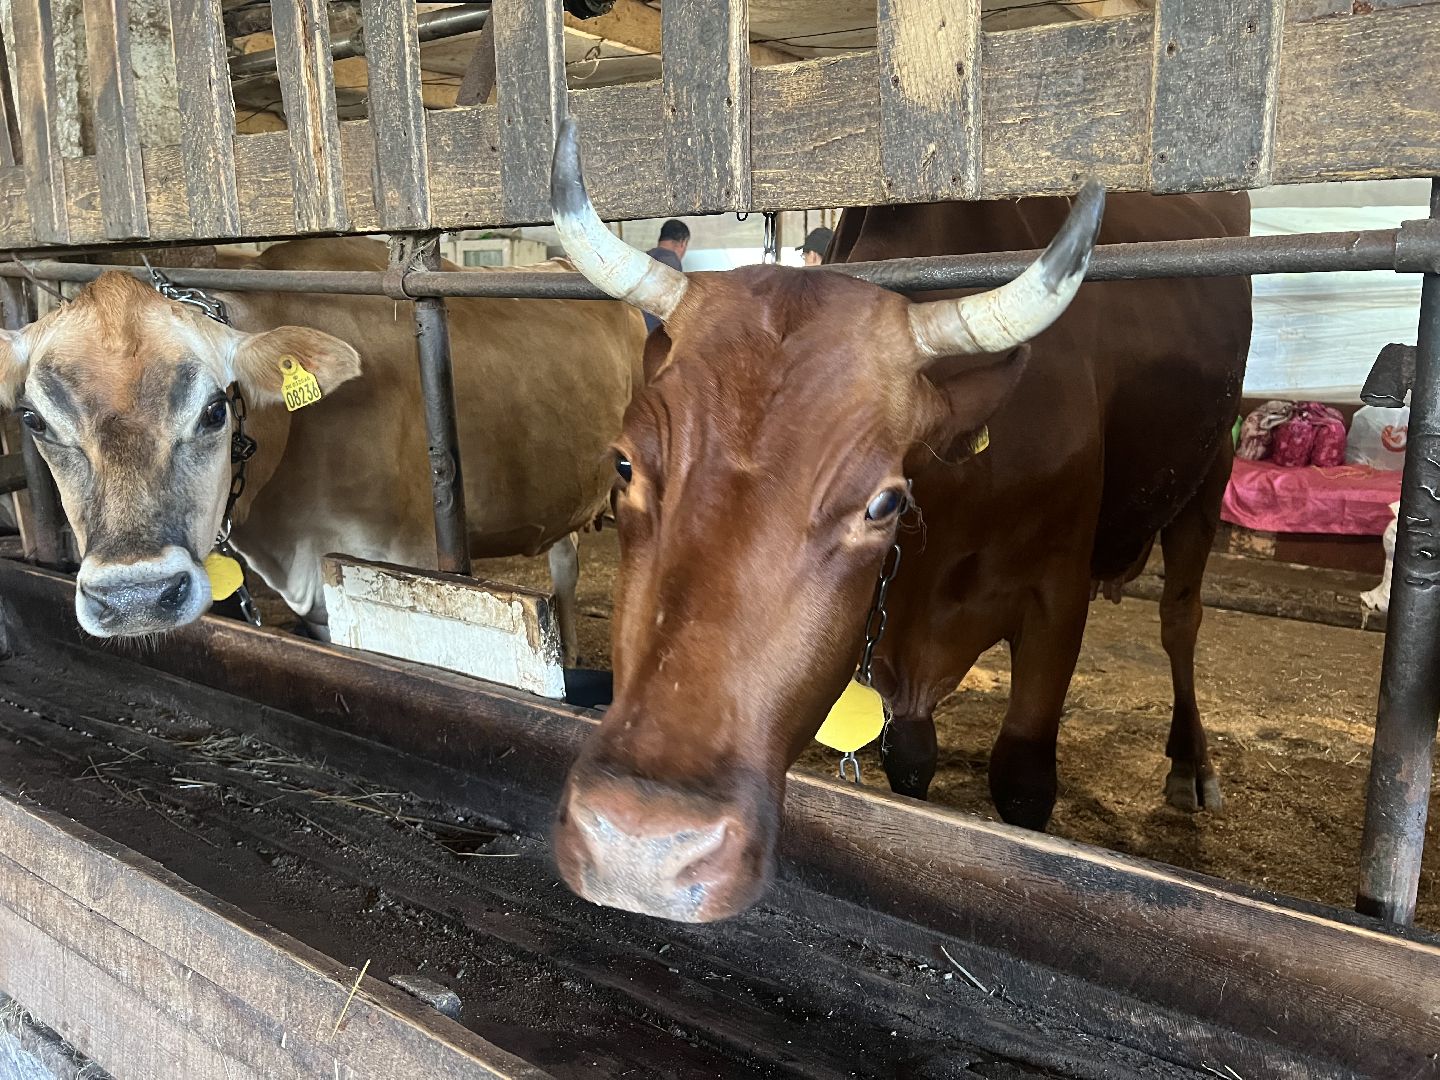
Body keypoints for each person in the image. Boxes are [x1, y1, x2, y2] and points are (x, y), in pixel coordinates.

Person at [643, 220, 689, 333]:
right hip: (655, 336)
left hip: (634, 330)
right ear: (683, 242)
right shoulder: (672, 262)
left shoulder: (644, 257)